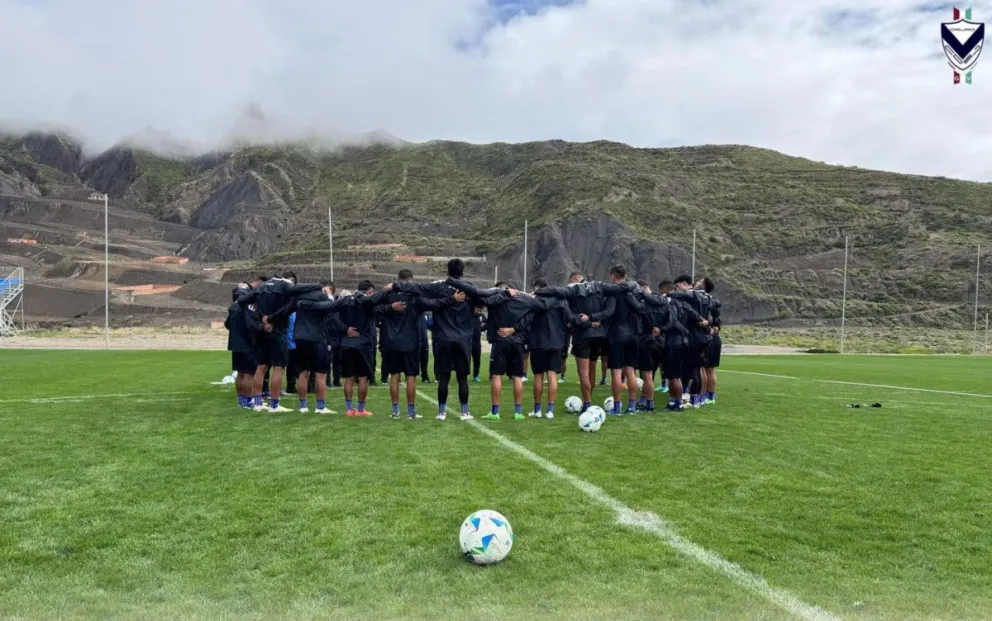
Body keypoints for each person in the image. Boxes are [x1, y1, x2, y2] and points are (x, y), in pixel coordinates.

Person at [388, 259, 483, 421]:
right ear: (463, 271)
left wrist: (395, 285)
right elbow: (482, 301)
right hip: (462, 339)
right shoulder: (470, 288)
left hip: (443, 338)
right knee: (462, 378)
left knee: (444, 377)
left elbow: (416, 287)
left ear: (447, 270)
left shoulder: (439, 287)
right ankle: (464, 412)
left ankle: (441, 412)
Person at [297, 280, 389, 416]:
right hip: (363, 343)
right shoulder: (367, 301)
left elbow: (332, 314)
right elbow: (379, 309)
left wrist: (345, 329)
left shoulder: (344, 301)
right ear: (369, 291)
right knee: (363, 378)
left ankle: (349, 409)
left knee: (349, 378)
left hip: (346, 343)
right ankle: (361, 409)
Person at [237, 270, 322, 413]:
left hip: (262, 331)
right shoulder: (285, 286)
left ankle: (258, 403)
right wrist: (318, 286)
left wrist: (260, 322)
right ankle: (274, 405)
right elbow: (301, 290)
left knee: (261, 367)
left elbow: (242, 301)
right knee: (278, 367)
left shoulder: (261, 287)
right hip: (278, 330)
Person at [380, 269, 461, 419]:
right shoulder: (416, 295)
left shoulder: (388, 294)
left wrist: (389, 307)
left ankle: (395, 411)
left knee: (394, 375)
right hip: (410, 341)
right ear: (411, 280)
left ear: (397, 279)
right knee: (411, 376)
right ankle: (411, 412)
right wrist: (452, 299)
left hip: (391, 341)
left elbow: (375, 308)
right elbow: (434, 304)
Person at [448, 279, 530, 421]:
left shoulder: (495, 300)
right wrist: (515, 329)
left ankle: (495, 412)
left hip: (500, 341)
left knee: (496, 376)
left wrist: (453, 282)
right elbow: (534, 311)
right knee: (517, 377)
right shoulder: (522, 300)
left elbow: (477, 294)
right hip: (517, 342)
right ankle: (518, 412)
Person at [535, 271, 615, 412]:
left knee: (583, 372)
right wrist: (595, 320)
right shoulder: (598, 290)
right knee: (591, 370)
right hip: (599, 335)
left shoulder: (571, 292)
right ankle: (589, 399)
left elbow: (569, 315)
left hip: (582, 335)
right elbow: (608, 311)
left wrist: (582, 322)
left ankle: (587, 403)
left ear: (575, 280)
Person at [528, 278, 586, 418]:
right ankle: (550, 410)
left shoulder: (534, 302)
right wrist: (586, 322)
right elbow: (571, 319)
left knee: (538, 376)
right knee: (552, 375)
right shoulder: (562, 302)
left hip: (538, 342)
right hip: (556, 343)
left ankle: (537, 410)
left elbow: (527, 319)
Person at [596, 266, 642, 415]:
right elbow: (639, 308)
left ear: (613, 277)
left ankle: (617, 408)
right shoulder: (632, 292)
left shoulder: (612, 293)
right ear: (625, 276)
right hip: (633, 335)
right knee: (630, 372)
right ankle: (632, 406)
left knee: (616, 372)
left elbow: (608, 312)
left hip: (617, 335)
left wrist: (592, 317)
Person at [669, 275, 716, 408]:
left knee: (691, 369)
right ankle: (700, 399)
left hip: (693, 337)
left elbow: (676, 296)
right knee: (700, 369)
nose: (697, 282)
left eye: (700, 281)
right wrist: (708, 323)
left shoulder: (693, 295)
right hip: (705, 338)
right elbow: (714, 312)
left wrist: (672, 293)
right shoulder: (709, 298)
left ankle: (692, 398)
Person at [288, 283, 335, 414]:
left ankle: (303, 406)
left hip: (300, 337)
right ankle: (320, 407)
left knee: (303, 374)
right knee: (320, 374)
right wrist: (330, 296)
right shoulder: (322, 297)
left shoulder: (299, 299)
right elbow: (332, 308)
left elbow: (285, 311)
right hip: (317, 337)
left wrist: (270, 319)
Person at [224, 283, 259, 409]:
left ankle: (241, 399)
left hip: (235, 344)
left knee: (240, 373)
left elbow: (227, 324)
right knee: (249, 373)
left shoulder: (234, 305)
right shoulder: (247, 306)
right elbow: (251, 324)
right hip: (247, 343)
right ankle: (248, 401)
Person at [697, 277, 722, 405]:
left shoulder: (708, 302)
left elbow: (716, 323)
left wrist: (711, 328)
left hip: (711, 339)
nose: (696, 283)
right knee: (707, 369)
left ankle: (708, 396)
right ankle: (707, 396)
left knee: (707, 369)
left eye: (699, 282)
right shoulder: (711, 302)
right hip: (712, 338)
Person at [471, 305, 485, 382]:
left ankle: (476, 376)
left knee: (477, 360)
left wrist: (481, 329)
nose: (478, 312)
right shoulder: (468, 315)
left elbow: (488, 323)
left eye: (480, 310)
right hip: (468, 341)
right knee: (465, 359)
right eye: (477, 310)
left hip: (477, 342)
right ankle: (463, 375)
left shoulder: (481, 316)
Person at [419, 312, 432, 384]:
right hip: (414, 340)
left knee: (424, 359)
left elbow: (429, 325)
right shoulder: (413, 313)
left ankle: (424, 376)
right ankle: (408, 375)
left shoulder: (425, 315)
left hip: (424, 340)